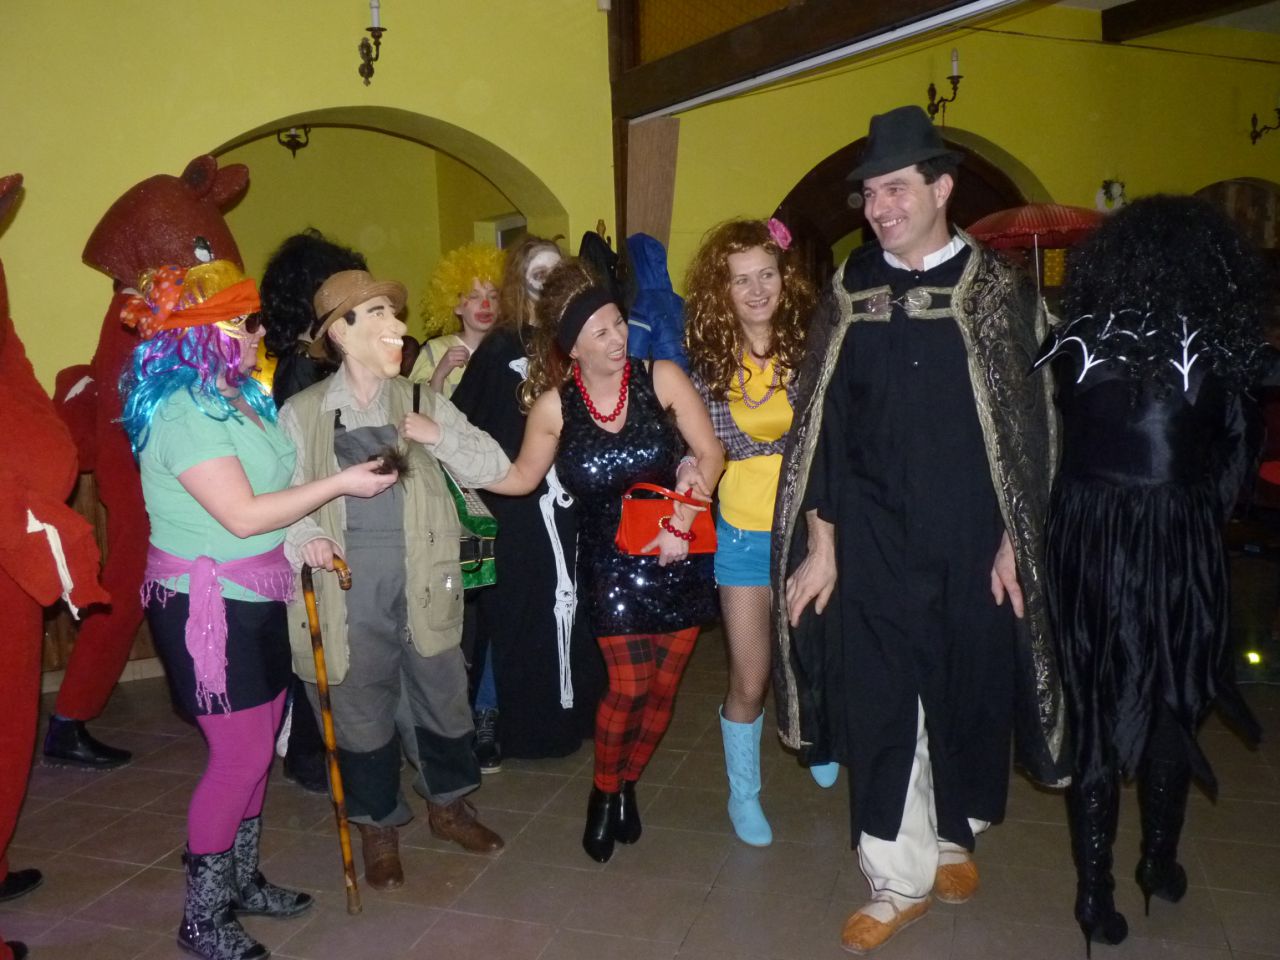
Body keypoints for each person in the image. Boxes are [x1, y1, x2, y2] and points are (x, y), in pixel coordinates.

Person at [776, 105, 1068, 954]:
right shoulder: (850, 292)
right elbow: (821, 425)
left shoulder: (997, 293)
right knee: (882, 696)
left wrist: (1016, 537)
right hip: (870, 534)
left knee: (964, 685)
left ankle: (951, 836)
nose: (880, 208)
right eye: (871, 193)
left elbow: (1037, 428)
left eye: (896, 189)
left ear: (942, 190)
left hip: (971, 536)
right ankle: (895, 876)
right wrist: (822, 541)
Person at [119, 260, 397, 960]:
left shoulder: (240, 395)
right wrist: (340, 485)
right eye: (243, 323)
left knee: (259, 744)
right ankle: (202, 917)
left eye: (256, 320)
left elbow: (274, 496)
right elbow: (242, 515)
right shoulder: (181, 413)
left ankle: (240, 882)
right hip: (205, 608)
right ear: (201, 333)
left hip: (258, 592)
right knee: (238, 757)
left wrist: (304, 537)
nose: (258, 333)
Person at [1034, 195, 1268, 956]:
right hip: (1177, 542)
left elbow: (1048, 442)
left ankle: (1094, 889)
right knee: (1173, 694)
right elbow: (1235, 463)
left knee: (1095, 700)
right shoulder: (1220, 350)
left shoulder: (1071, 339)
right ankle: (1155, 862)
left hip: (1086, 537)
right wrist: (1190, 514)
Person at [479, 258, 724, 864]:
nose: (617, 339)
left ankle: (628, 782)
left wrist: (682, 519)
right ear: (573, 348)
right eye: (601, 332)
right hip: (608, 563)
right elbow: (520, 478)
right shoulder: (554, 407)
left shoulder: (660, 377)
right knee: (629, 685)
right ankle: (604, 790)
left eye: (618, 324)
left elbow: (710, 453)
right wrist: (449, 449)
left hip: (677, 552)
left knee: (663, 690)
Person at [281, 269, 510, 892]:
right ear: (340, 332)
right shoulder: (303, 414)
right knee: (359, 708)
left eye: (395, 313)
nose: (399, 327)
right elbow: (283, 500)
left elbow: (495, 465)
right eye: (380, 314)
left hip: (425, 580)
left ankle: (449, 806)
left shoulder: (420, 401)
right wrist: (307, 537)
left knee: (442, 696)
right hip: (346, 589)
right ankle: (378, 826)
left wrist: (440, 437)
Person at [682, 217, 818, 848]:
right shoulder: (708, 364)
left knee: (817, 656)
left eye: (767, 274)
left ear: (785, 279)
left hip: (812, 530)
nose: (757, 289)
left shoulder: (813, 346)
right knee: (750, 677)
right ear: (723, 290)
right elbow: (696, 448)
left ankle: (818, 735)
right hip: (741, 534)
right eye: (741, 280)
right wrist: (689, 469)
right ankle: (744, 793)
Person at [448, 236, 602, 770]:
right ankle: (494, 715)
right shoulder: (499, 349)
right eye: (537, 272)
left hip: (576, 501)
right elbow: (462, 424)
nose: (547, 280)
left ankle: (577, 713)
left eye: (555, 270)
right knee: (513, 609)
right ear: (520, 278)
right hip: (515, 502)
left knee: (578, 608)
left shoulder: (579, 340)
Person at [258, 228, 370, 795]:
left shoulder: (303, 360)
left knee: (323, 635)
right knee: (316, 637)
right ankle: (309, 753)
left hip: (318, 504)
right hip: (312, 512)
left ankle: (316, 751)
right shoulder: (304, 367)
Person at [409, 243, 504, 397]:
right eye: (474, 296)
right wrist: (439, 374)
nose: (486, 304)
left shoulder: (508, 350)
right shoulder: (435, 351)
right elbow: (417, 406)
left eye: (493, 297)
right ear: (455, 305)